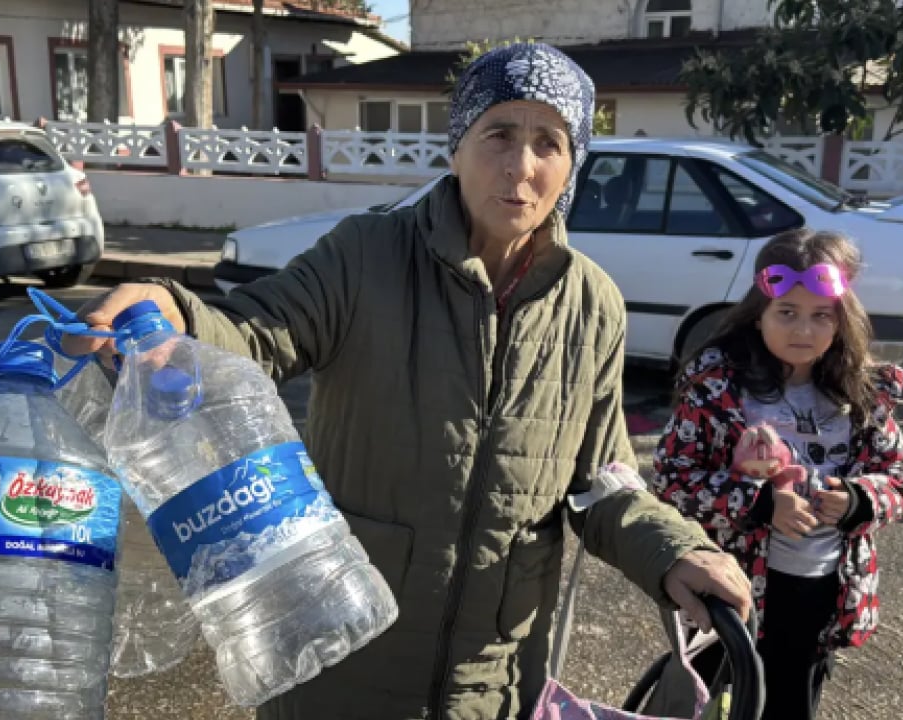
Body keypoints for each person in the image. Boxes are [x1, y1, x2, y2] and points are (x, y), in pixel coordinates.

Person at [65, 42, 751, 720]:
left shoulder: (592, 302)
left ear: (573, 167)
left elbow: (603, 481)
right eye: (499, 134)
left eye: (549, 143)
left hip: (496, 682)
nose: (520, 166)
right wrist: (174, 313)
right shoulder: (365, 255)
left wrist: (674, 550)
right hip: (343, 659)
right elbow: (253, 334)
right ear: (456, 147)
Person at [652, 228, 903, 720]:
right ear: (759, 316)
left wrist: (860, 499)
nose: (804, 331)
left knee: (791, 703)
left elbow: (898, 475)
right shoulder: (718, 389)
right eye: (787, 313)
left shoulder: (863, 395)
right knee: (711, 702)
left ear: (842, 322)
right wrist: (757, 504)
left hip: (819, 592)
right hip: (728, 589)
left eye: (822, 316)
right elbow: (672, 477)